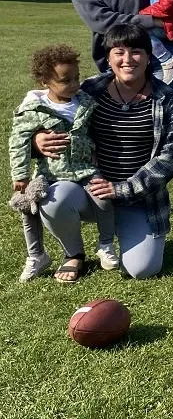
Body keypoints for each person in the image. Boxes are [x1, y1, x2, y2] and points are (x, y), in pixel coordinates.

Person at [31, 25, 173, 281]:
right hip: (87, 192)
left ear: (149, 57)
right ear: (109, 58)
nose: (127, 59)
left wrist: (122, 189)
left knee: (142, 269)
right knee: (52, 197)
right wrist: (36, 140)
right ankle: (74, 254)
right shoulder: (89, 90)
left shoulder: (166, 100)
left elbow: (170, 159)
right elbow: (45, 111)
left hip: (138, 201)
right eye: (119, 52)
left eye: (136, 52)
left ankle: (128, 232)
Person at [8, 45, 114, 281]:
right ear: (46, 81)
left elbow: (97, 130)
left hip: (84, 169)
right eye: (66, 80)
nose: (75, 85)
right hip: (50, 173)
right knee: (29, 208)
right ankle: (36, 255)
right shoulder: (34, 109)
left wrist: (97, 149)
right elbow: (18, 142)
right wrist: (21, 175)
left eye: (77, 77)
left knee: (103, 197)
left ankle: (106, 244)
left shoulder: (85, 101)